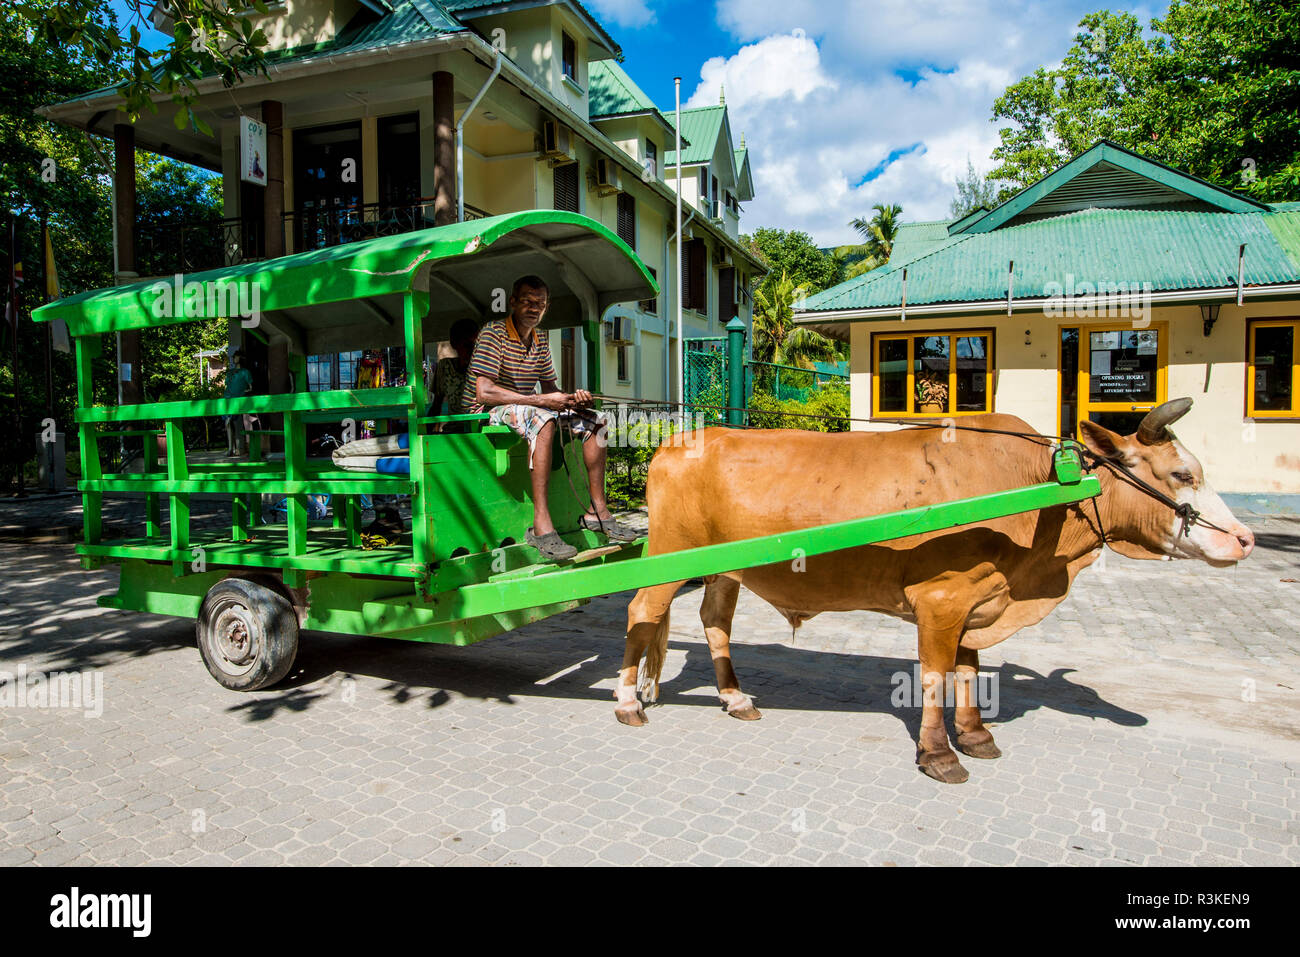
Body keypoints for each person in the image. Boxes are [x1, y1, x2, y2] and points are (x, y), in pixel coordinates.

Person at [463, 275, 636, 560]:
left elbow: (550, 390)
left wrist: (572, 399)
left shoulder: (540, 338)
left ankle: (597, 511)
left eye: (540, 304)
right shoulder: (493, 333)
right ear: (512, 302)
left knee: (598, 420)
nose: (534, 308)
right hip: (486, 413)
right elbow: (484, 392)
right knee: (543, 419)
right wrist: (543, 401)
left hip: (527, 408)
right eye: (528, 301)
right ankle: (541, 526)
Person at [427, 318, 479, 425]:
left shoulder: (484, 367)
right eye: (467, 345)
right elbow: (436, 405)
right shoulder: (445, 367)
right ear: (454, 344)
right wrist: (425, 433)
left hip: (480, 431)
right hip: (454, 432)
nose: (472, 350)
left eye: (476, 345)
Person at [224, 349, 254, 457]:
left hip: (238, 401)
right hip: (228, 400)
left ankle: (239, 448)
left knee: (237, 424)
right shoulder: (230, 372)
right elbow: (227, 385)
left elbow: (250, 388)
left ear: (240, 358)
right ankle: (230, 448)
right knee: (227, 423)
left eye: (236, 357)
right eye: (234, 357)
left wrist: (242, 393)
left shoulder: (245, 372)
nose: (234, 359)